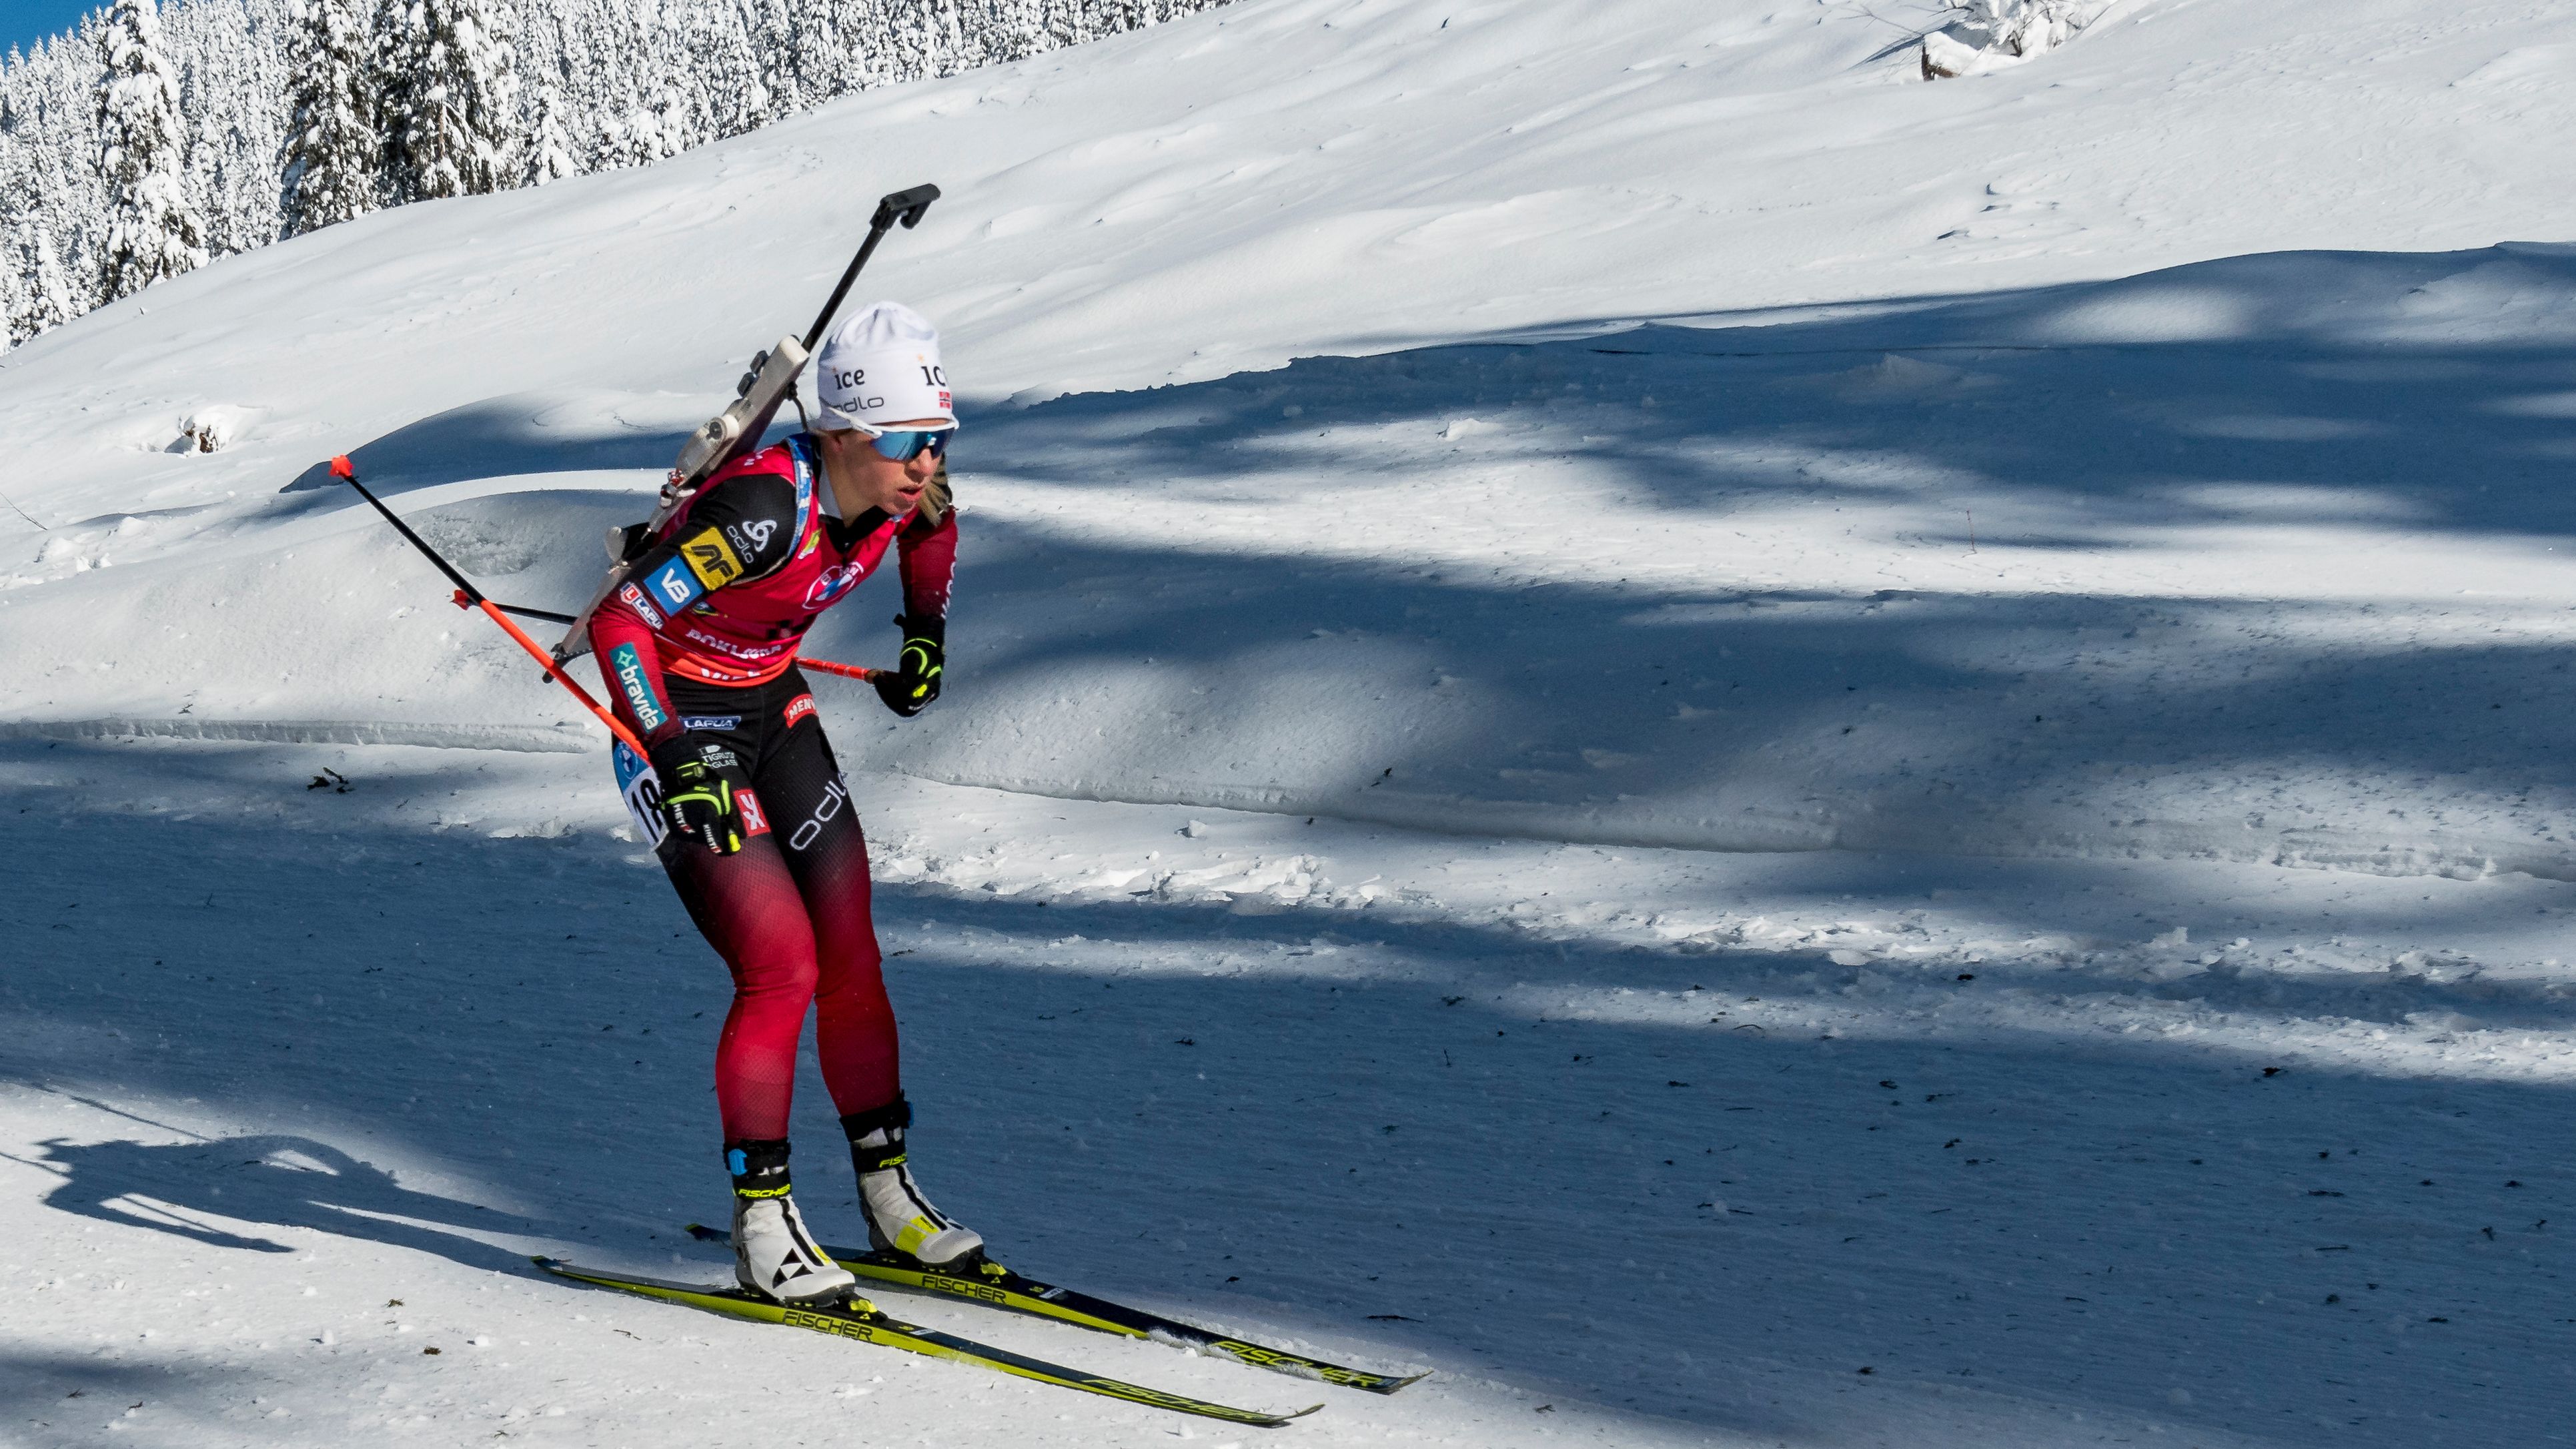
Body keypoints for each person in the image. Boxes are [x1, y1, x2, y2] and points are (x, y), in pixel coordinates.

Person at [590, 300, 977, 1304]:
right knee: (780, 965)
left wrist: (923, 639)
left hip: (773, 706)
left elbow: (933, 528)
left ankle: (888, 1195)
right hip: (676, 722)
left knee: (849, 949)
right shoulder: (763, 511)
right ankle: (762, 1222)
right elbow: (623, 623)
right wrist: (671, 749)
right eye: (905, 441)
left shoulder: (904, 489)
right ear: (842, 433)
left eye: (938, 438)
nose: (926, 463)